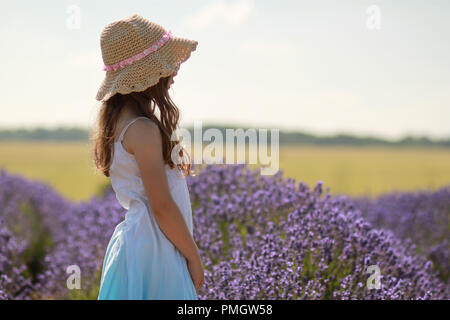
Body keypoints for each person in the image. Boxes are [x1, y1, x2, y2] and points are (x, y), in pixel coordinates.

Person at [92, 14, 203, 299]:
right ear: (147, 73)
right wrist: (193, 257)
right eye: (167, 64)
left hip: (139, 245)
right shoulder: (142, 128)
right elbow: (162, 206)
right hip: (157, 250)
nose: (174, 71)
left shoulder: (119, 123)